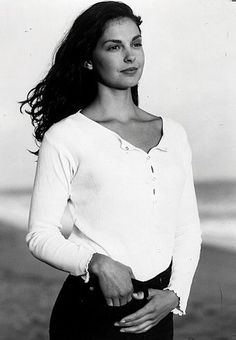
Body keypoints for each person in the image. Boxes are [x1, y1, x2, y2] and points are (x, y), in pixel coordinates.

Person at [20, 1, 202, 339]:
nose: (130, 56)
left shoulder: (173, 133)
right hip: (90, 312)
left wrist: (176, 295)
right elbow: (40, 235)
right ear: (89, 59)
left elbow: (187, 228)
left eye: (136, 43)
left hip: (157, 310)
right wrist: (96, 263)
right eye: (114, 46)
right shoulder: (66, 137)